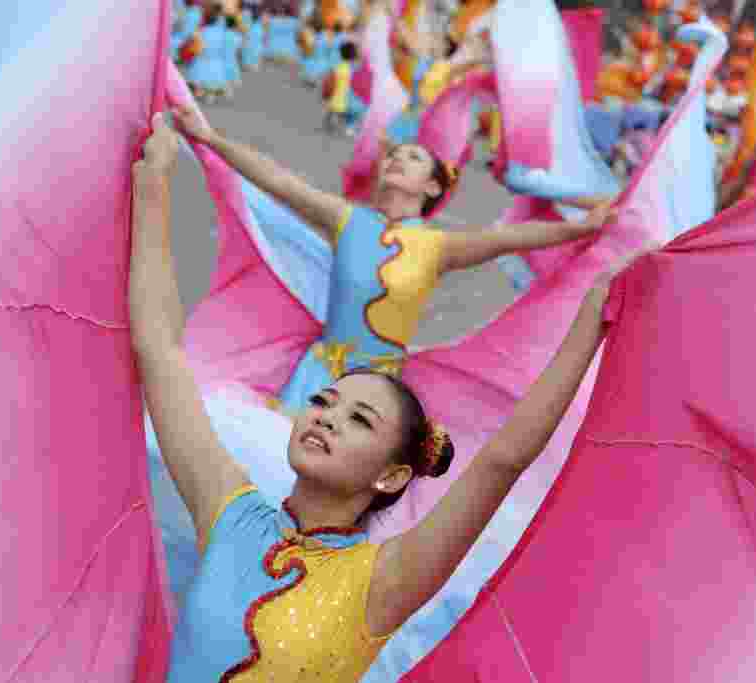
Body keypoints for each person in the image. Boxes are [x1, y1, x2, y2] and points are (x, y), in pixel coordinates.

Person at [131, 110, 644, 683]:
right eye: (325, 406)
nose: (324, 418)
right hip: (313, 367)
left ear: (393, 475)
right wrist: (155, 183)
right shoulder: (230, 512)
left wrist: (591, 312)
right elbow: (161, 354)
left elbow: (503, 460)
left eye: (357, 419)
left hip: (384, 373)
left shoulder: (387, 582)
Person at [169, 103, 616, 410]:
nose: (398, 160)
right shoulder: (346, 219)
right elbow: (276, 179)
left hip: (377, 390)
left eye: (414, 158)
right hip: (315, 376)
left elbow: (515, 238)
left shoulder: (439, 246)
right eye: (395, 155)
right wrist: (207, 137)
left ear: (433, 187)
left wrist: (580, 228)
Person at [323, 41, 360, 136]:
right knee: (352, 114)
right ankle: (349, 127)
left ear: (340, 53)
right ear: (354, 55)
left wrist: (326, 94)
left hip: (335, 100)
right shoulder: (354, 70)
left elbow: (330, 83)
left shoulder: (337, 68)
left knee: (333, 110)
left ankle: (332, 121)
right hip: (349, 102)